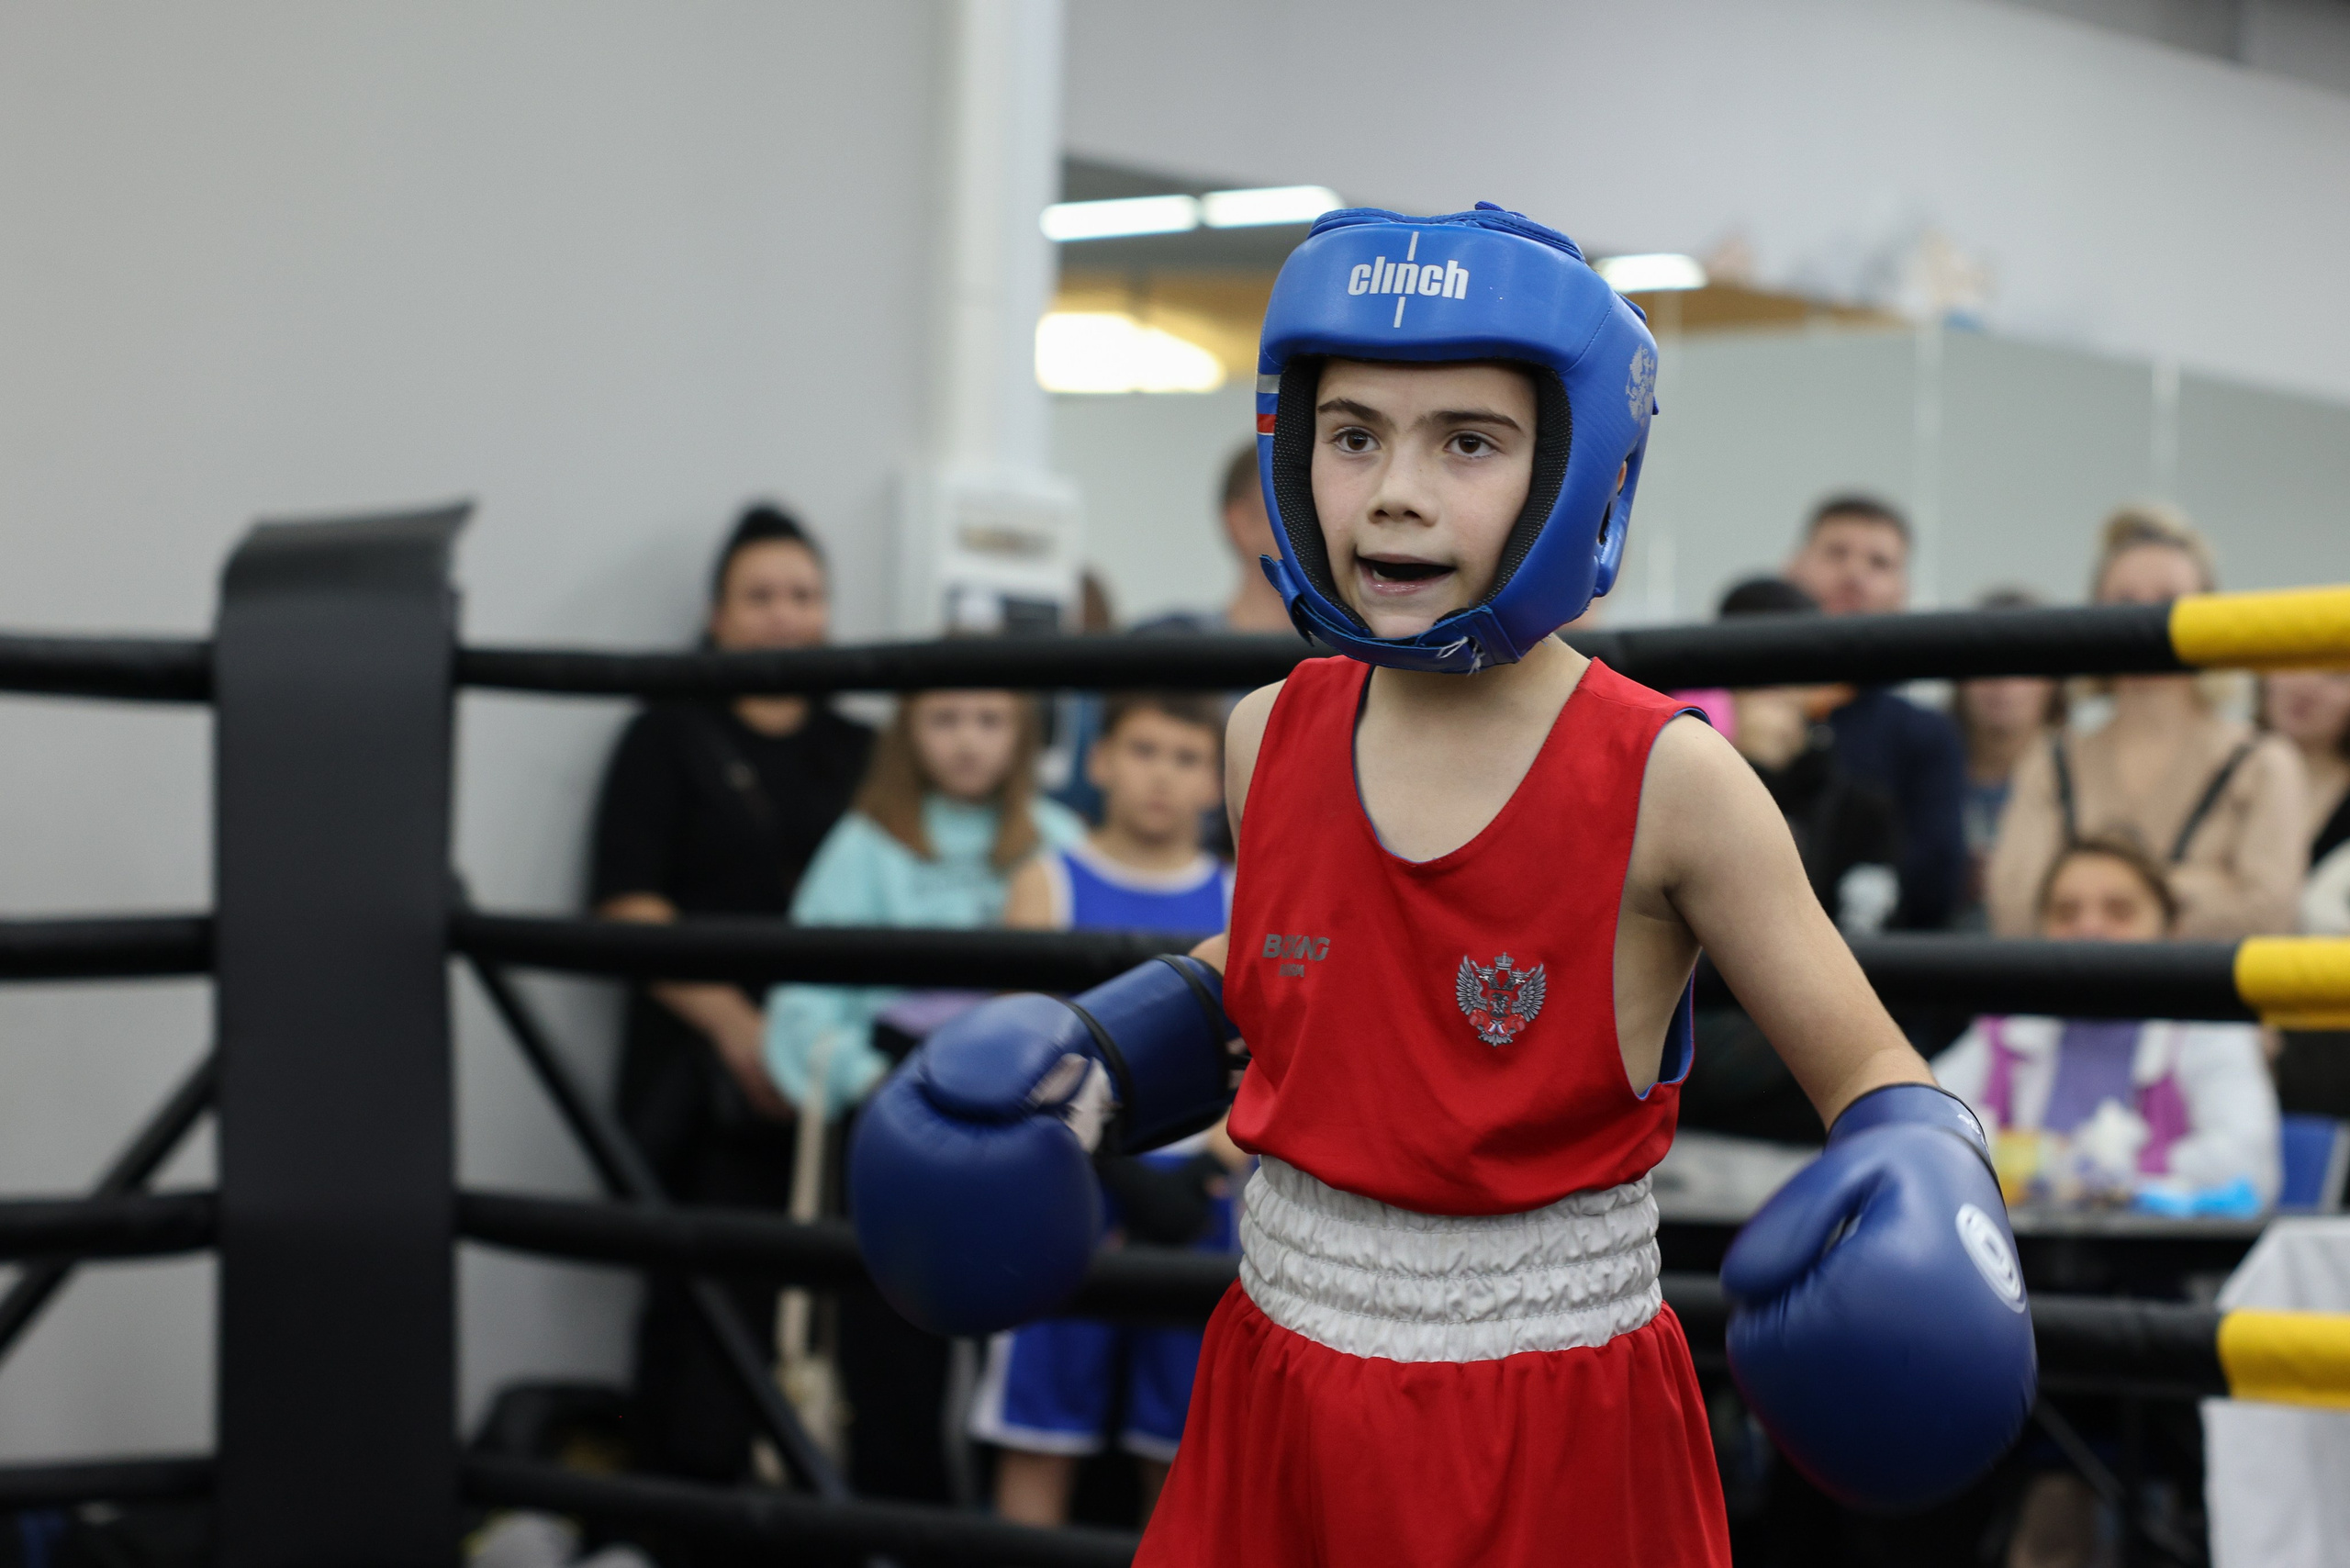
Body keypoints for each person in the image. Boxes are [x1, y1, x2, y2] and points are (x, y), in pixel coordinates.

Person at [850, 203, 2035, 1565]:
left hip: (1551, 1428)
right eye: (1354, 436)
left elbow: (1881, 1075)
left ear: (1581, 469)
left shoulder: (1670, 780)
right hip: (1278, 1390)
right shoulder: (1267, 732)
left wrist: (1921, 1189)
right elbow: (1287, 973)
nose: (1396, 489)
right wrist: (1096, 1069)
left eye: (1467, 441)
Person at [587, 502, 872, 1490]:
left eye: (802, 595)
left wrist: (817, 1049)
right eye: (759, 597)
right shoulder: (664, 735)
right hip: (707, 1078)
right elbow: (629, 907)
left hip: (839, 1084)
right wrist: (744, 1031)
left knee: (839, 1320)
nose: (783, 617)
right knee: (700, 1324)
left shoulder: (866, 745)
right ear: (716, 614)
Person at [761, 686, 1084, 1501]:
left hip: (1027, 1127)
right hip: (897, 1118)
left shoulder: (1056, 842)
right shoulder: (865, 845)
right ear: (909, 733)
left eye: (988, 719)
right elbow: (802, 1001)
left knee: (1021, 1358)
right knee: (894, 1353)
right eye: (944, 720)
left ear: (1021, 733)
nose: (968, 741)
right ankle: (898, 1539)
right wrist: (876, 1093)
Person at [969, 692, 1247, 1528]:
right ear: (1101, 761)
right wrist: (1111, 1169)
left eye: (1186, 756)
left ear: (1216, 779)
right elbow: (1015, 1058)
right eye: (1144, 750)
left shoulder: (1248, 897)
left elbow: (1279, 1061)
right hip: (1069, 1190)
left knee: (1184, 1455)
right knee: (1038, 1437)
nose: (1162, 776)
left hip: (1206, 1198)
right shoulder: (1045, 885)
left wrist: (1204, 1167)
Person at [1985, 505, 2307, 941]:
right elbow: (2015, 913)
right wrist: (2200, 884)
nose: (2145, 624)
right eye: (2125, 603)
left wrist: (2074, 899)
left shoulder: (2265, 762)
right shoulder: (2050, 757)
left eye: (2169, 603)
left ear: (2210, 616)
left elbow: (2267, 917)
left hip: (2209, 1007)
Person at [1936, 834, 2281, 1214]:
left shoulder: (2209, 1027)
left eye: (2119, 912)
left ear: (2172, 931)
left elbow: (2250, 1167)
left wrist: (2100, 1176)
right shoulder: (2004, 1030)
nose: (2089, 929)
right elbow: (1924, 1128)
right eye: (2065, 914)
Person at [1679, 577, 1903, 1146]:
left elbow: (1851, 955)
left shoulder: (1861, 808)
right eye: (1748, 668)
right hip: (1682, 1075)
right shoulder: (1673, 788)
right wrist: (1740, 764)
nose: (1767, 689)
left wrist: (1768, 774)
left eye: (1782, 666)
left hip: (1797, 1093)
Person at [1056, 443, 1294, 829]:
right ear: (1240, 523)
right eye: (1292, 504)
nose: (1314, 522)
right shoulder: (1160, 645)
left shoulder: (1366, 664)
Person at [1782, 494, 1969, 930]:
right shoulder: (1722, 707)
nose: (1854, 573)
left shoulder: (1926, 736)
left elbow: (1937, 887)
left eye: (1879, 563)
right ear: (1793, 570)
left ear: (1901, 595)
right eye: (1836, 553)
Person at [2260, 668, 2350, 1143]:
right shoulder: (2215, 780)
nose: (2306, 686)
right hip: (2217, 1018)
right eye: (2292, 661)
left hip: (2330, 1045)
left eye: (2336, 674)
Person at [1950, 589, 2065, 929]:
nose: (2000, 681)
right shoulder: (1924, 770)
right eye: (1983, 662)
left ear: (2053, 683)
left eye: (2021, 664)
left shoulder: (2083, 773)